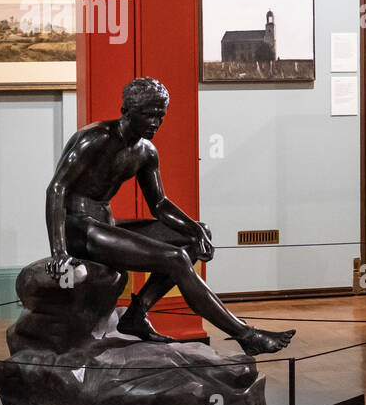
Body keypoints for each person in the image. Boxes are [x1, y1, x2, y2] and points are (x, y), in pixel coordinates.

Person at [44, 76, 295, 355]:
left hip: (104, 224)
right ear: (126, 111)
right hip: (78, 228)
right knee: (174, 259)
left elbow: (160, 204)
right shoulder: (97, 138)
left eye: (160, 115)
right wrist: (59, 252)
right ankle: (245, 334)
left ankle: (137, 314)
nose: (155, 122)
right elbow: (57, 188)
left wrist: (196, 231)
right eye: (148, 115)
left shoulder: (145, 151)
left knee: (196, 236)